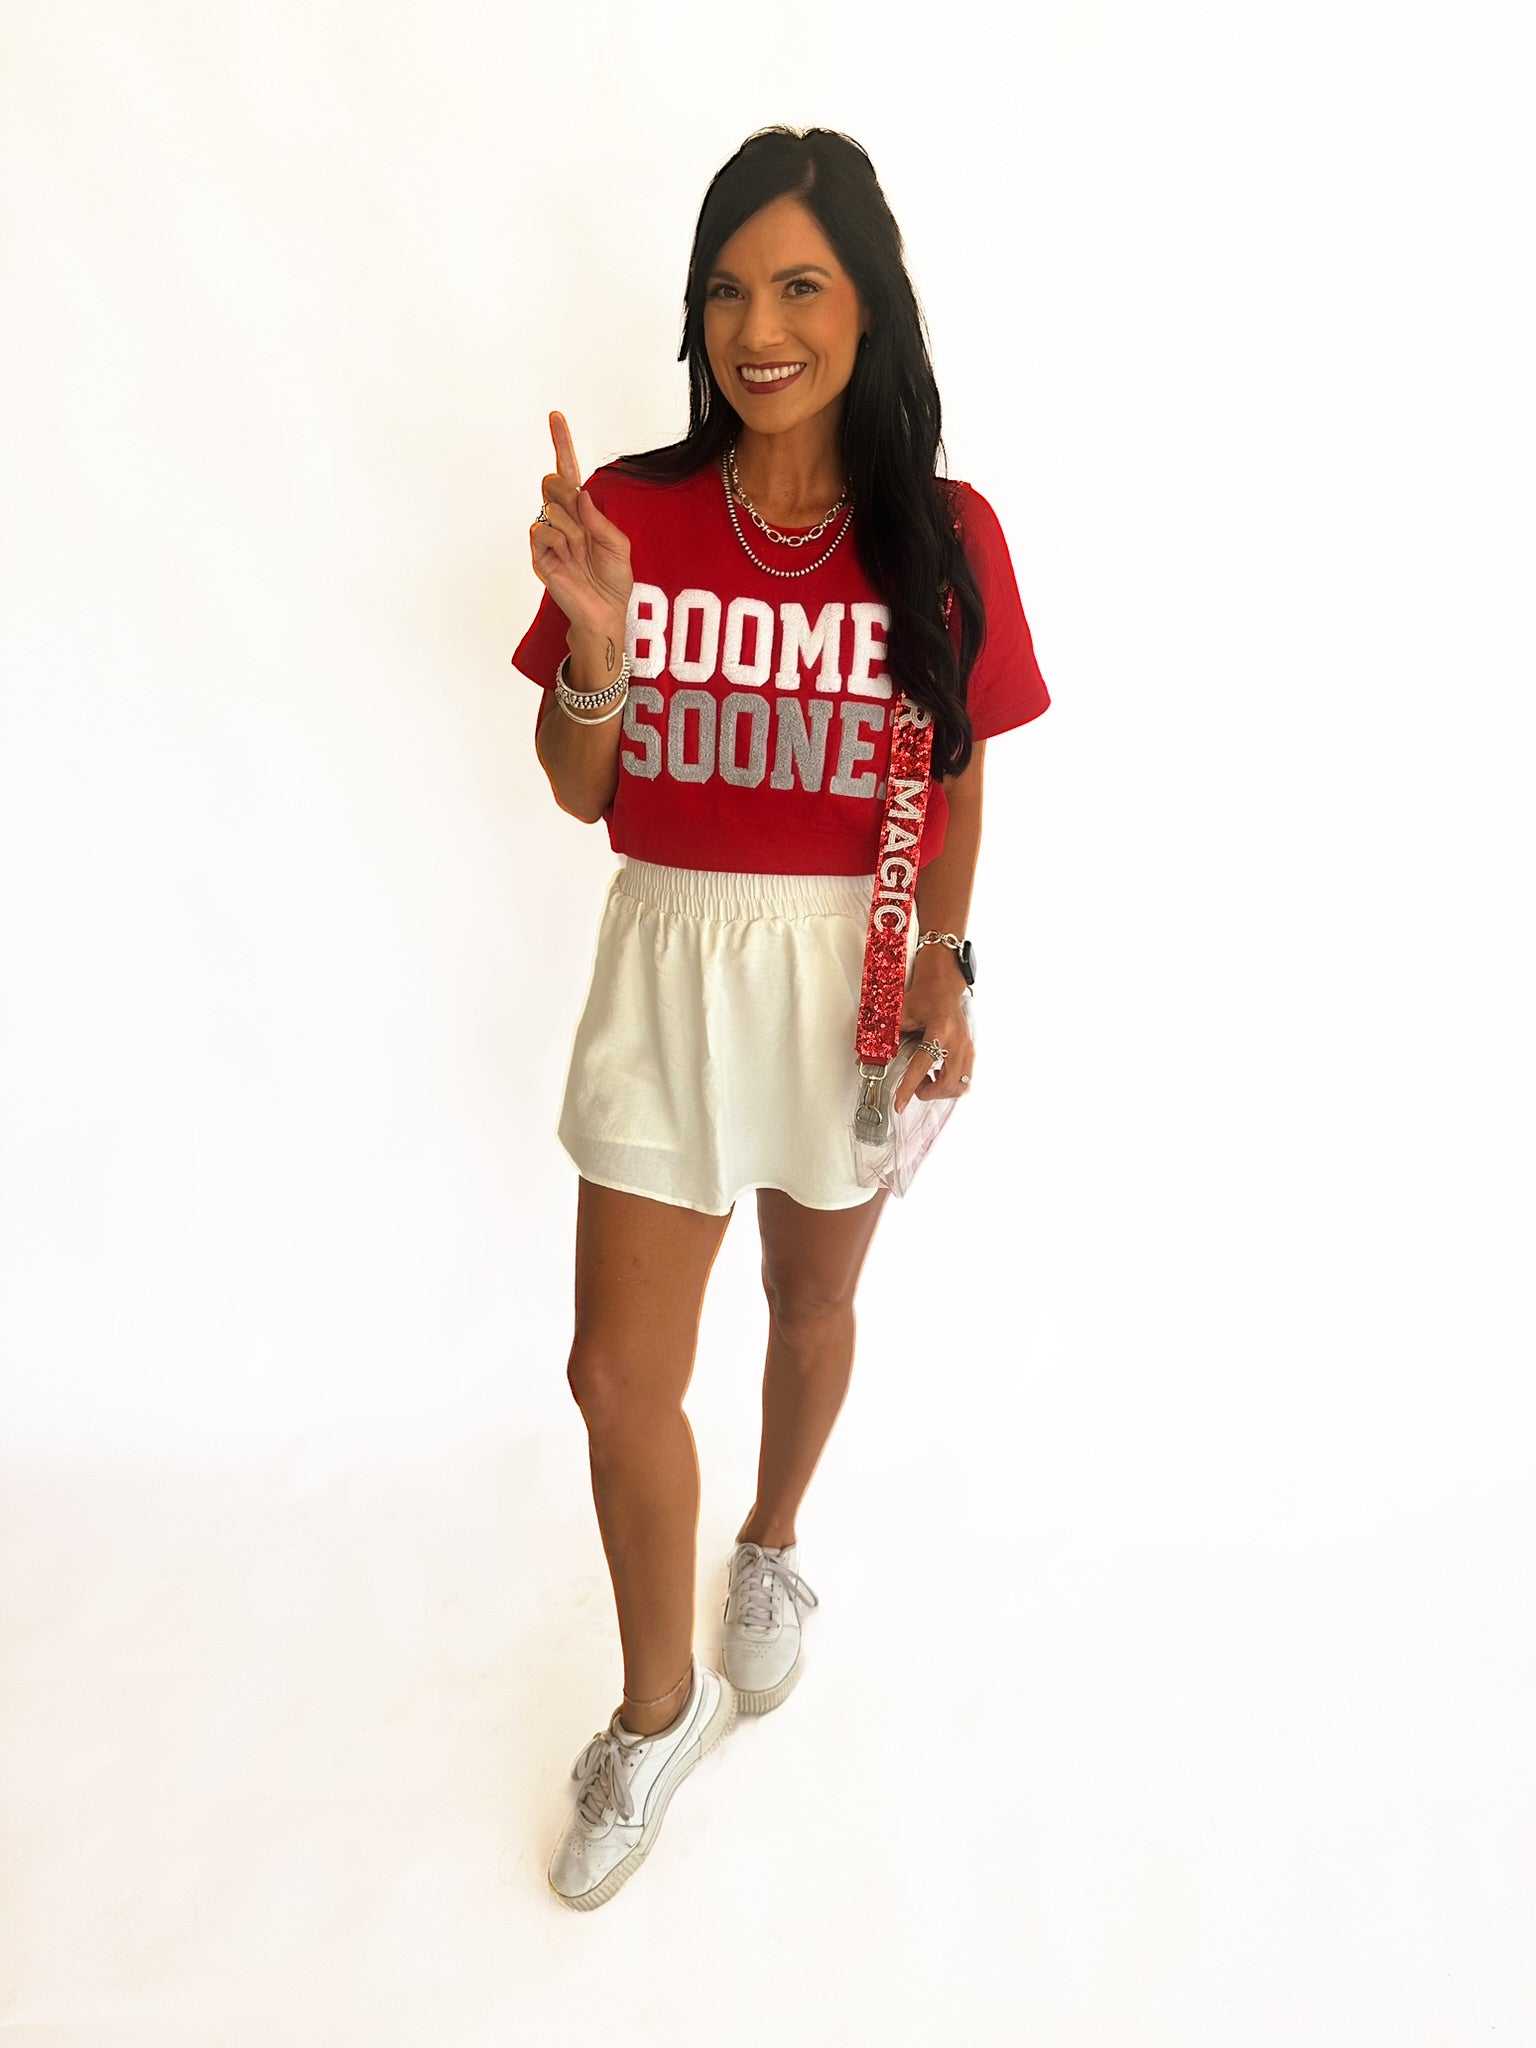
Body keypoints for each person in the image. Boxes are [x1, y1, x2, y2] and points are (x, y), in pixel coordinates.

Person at [512, 126, 1050, 1911]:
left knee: (810, 1303)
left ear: (868, 305)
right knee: (614, 1376)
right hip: (668, 959)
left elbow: (957, 771)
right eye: (729, 290)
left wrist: (946, 954)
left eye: (801, 285)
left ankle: (770, 1542)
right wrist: (601, 640)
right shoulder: (639, 515)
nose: (761, 327)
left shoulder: (947, 536)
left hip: (853, 969)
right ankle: (655, 1711)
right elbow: (581, 788)